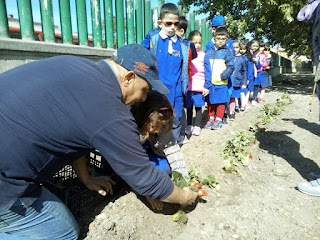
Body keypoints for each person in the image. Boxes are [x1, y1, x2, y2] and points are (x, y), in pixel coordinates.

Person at [0, 44, 198, 239]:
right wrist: (186, 197)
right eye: (144, 90)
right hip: (5, 178)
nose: (145, 98)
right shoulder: (111, 112)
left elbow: (77, 135)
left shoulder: (76, 65)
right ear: (129, 78)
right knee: (63, 232)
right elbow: (145, 178)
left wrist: (86, 178)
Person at [141, 3, 193, 145]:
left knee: (174, 121)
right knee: (152, 120)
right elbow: (140, 53)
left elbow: (187, 65)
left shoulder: (182, 45)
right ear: (160, 22)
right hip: (155, 91)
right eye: (168, 23)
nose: (172, 27)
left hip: (175, 92)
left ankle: (171, 147)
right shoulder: (153, 39)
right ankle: (152, 147)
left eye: (175, 24)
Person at [132, 90, 189, 210]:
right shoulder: (131, 128)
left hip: (151, 152)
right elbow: (131, 161)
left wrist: (183, 181)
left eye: (161, 126)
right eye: (154, 127)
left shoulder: (163, 125)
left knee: (165, 169)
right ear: (143, 118)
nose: (158, 131)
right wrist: (148, 192)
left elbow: (173, 150)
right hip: (137, 155)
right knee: (146, 174)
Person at [204, 27, 235, 130]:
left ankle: (218, 119)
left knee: (221, 102)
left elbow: (231, 66)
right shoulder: (209, 51)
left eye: (223, 39)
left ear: (226, 40)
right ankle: (211, 118)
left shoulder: (227, 52)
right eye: (218, 38)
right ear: (214, 38)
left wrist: (224, 75)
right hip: (210, 82)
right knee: (210, 101)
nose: (220, 41)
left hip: (221, 82)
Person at [184, 30, 211, 136]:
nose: (197, 45)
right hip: (188, 87)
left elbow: (208, 72)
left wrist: (207, 86)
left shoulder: (204, 55)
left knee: (199, 107)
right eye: (194, 42)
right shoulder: (186, 55)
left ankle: (197, 126)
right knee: (189, 107)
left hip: (199, 87)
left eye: (199, 42)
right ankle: (189, 125)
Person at [228, 41, 248, 120]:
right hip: (228, 81)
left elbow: (244, 71)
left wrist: (244, 82)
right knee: (227, 97)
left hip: (236, 81)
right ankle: (225, 112)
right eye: (233, 47)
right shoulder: (228, 56)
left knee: (233, 97)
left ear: (239, 48)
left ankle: (231, 112)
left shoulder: (242, 59)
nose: (235, 49)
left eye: (237, 47)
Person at [247, 40, 263, 106]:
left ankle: (254, 99)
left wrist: (257, 62)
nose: (255, 47)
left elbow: (259, 66)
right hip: (249, 73)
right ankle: (246, 99)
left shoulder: (258, 54)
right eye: (254, 45)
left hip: (257, 74)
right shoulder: (247, 54)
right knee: (248, 86)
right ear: (250, 45)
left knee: (256, 86)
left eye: (257, 46)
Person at [239, 40, 250, 111]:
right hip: (240, 76)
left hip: (247, 76)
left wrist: (248, 78)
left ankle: (245, 103)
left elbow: (248, 69)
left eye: (244, 49)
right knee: (242, 91)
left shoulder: (247, 58)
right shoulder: (239, 57)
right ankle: (243, 104)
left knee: (247, 91)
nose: (242, 51)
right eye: (241, 49)